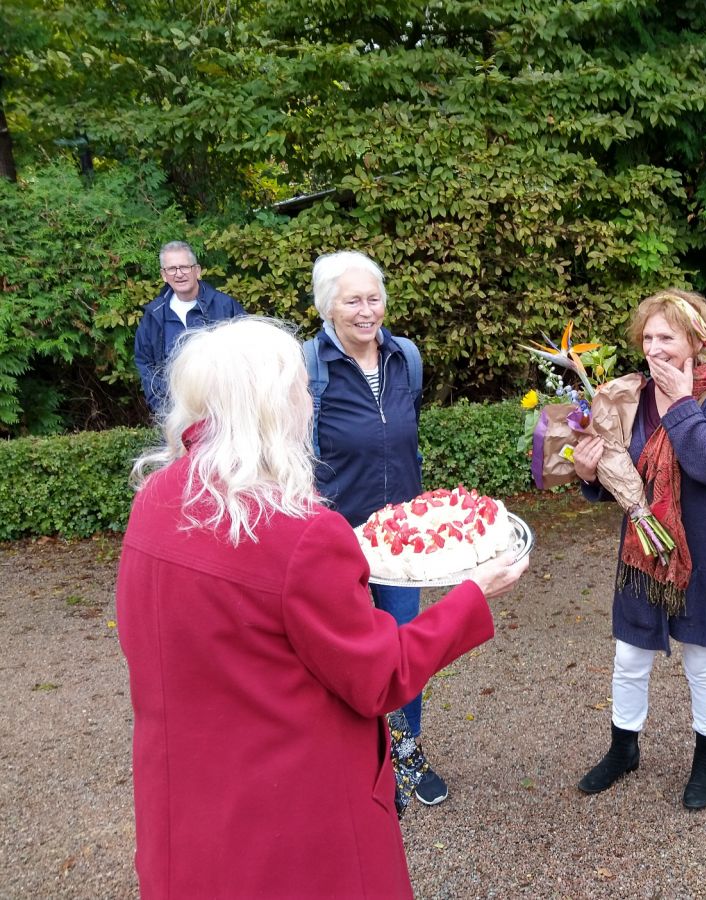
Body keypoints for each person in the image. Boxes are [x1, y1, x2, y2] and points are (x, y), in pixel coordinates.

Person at [115, 316, 528, 899]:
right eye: (301, 390)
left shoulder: (156, 497)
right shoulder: (301, 533)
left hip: (186, 803)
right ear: (274, 406)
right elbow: (379, 674)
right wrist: (471, 596)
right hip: (294, 820)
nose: (310, 402)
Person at [571, 288, 706, 810]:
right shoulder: (630, 394)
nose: (655, 347)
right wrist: (588, 474)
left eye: (667, 337)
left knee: (703, 659)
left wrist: (682, 401)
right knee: (630, 653)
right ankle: (624, 747)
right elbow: (622, 472)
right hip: (645, 545)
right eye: (648, 337)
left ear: (696, 340)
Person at [303, 250, 450, 807]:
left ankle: (406, 750)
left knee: (403, 647)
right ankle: (354, 756)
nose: (367, 311)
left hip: (402, 540)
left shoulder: (404, 356)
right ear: (327, 307)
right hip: (338, 540)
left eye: (374, 297)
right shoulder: (308, 367)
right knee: (340, 653)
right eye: (352, 300)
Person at [133, 241, 246, 415]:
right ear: (164, 275)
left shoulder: (225, 306)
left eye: (185, 267)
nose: (179, 274)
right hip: (174, 414)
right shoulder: (153, 316)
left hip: (224, 412)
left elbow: (246, 355)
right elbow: (145, 363)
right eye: (171, 269)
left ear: (197, 271)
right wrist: (164, 406)